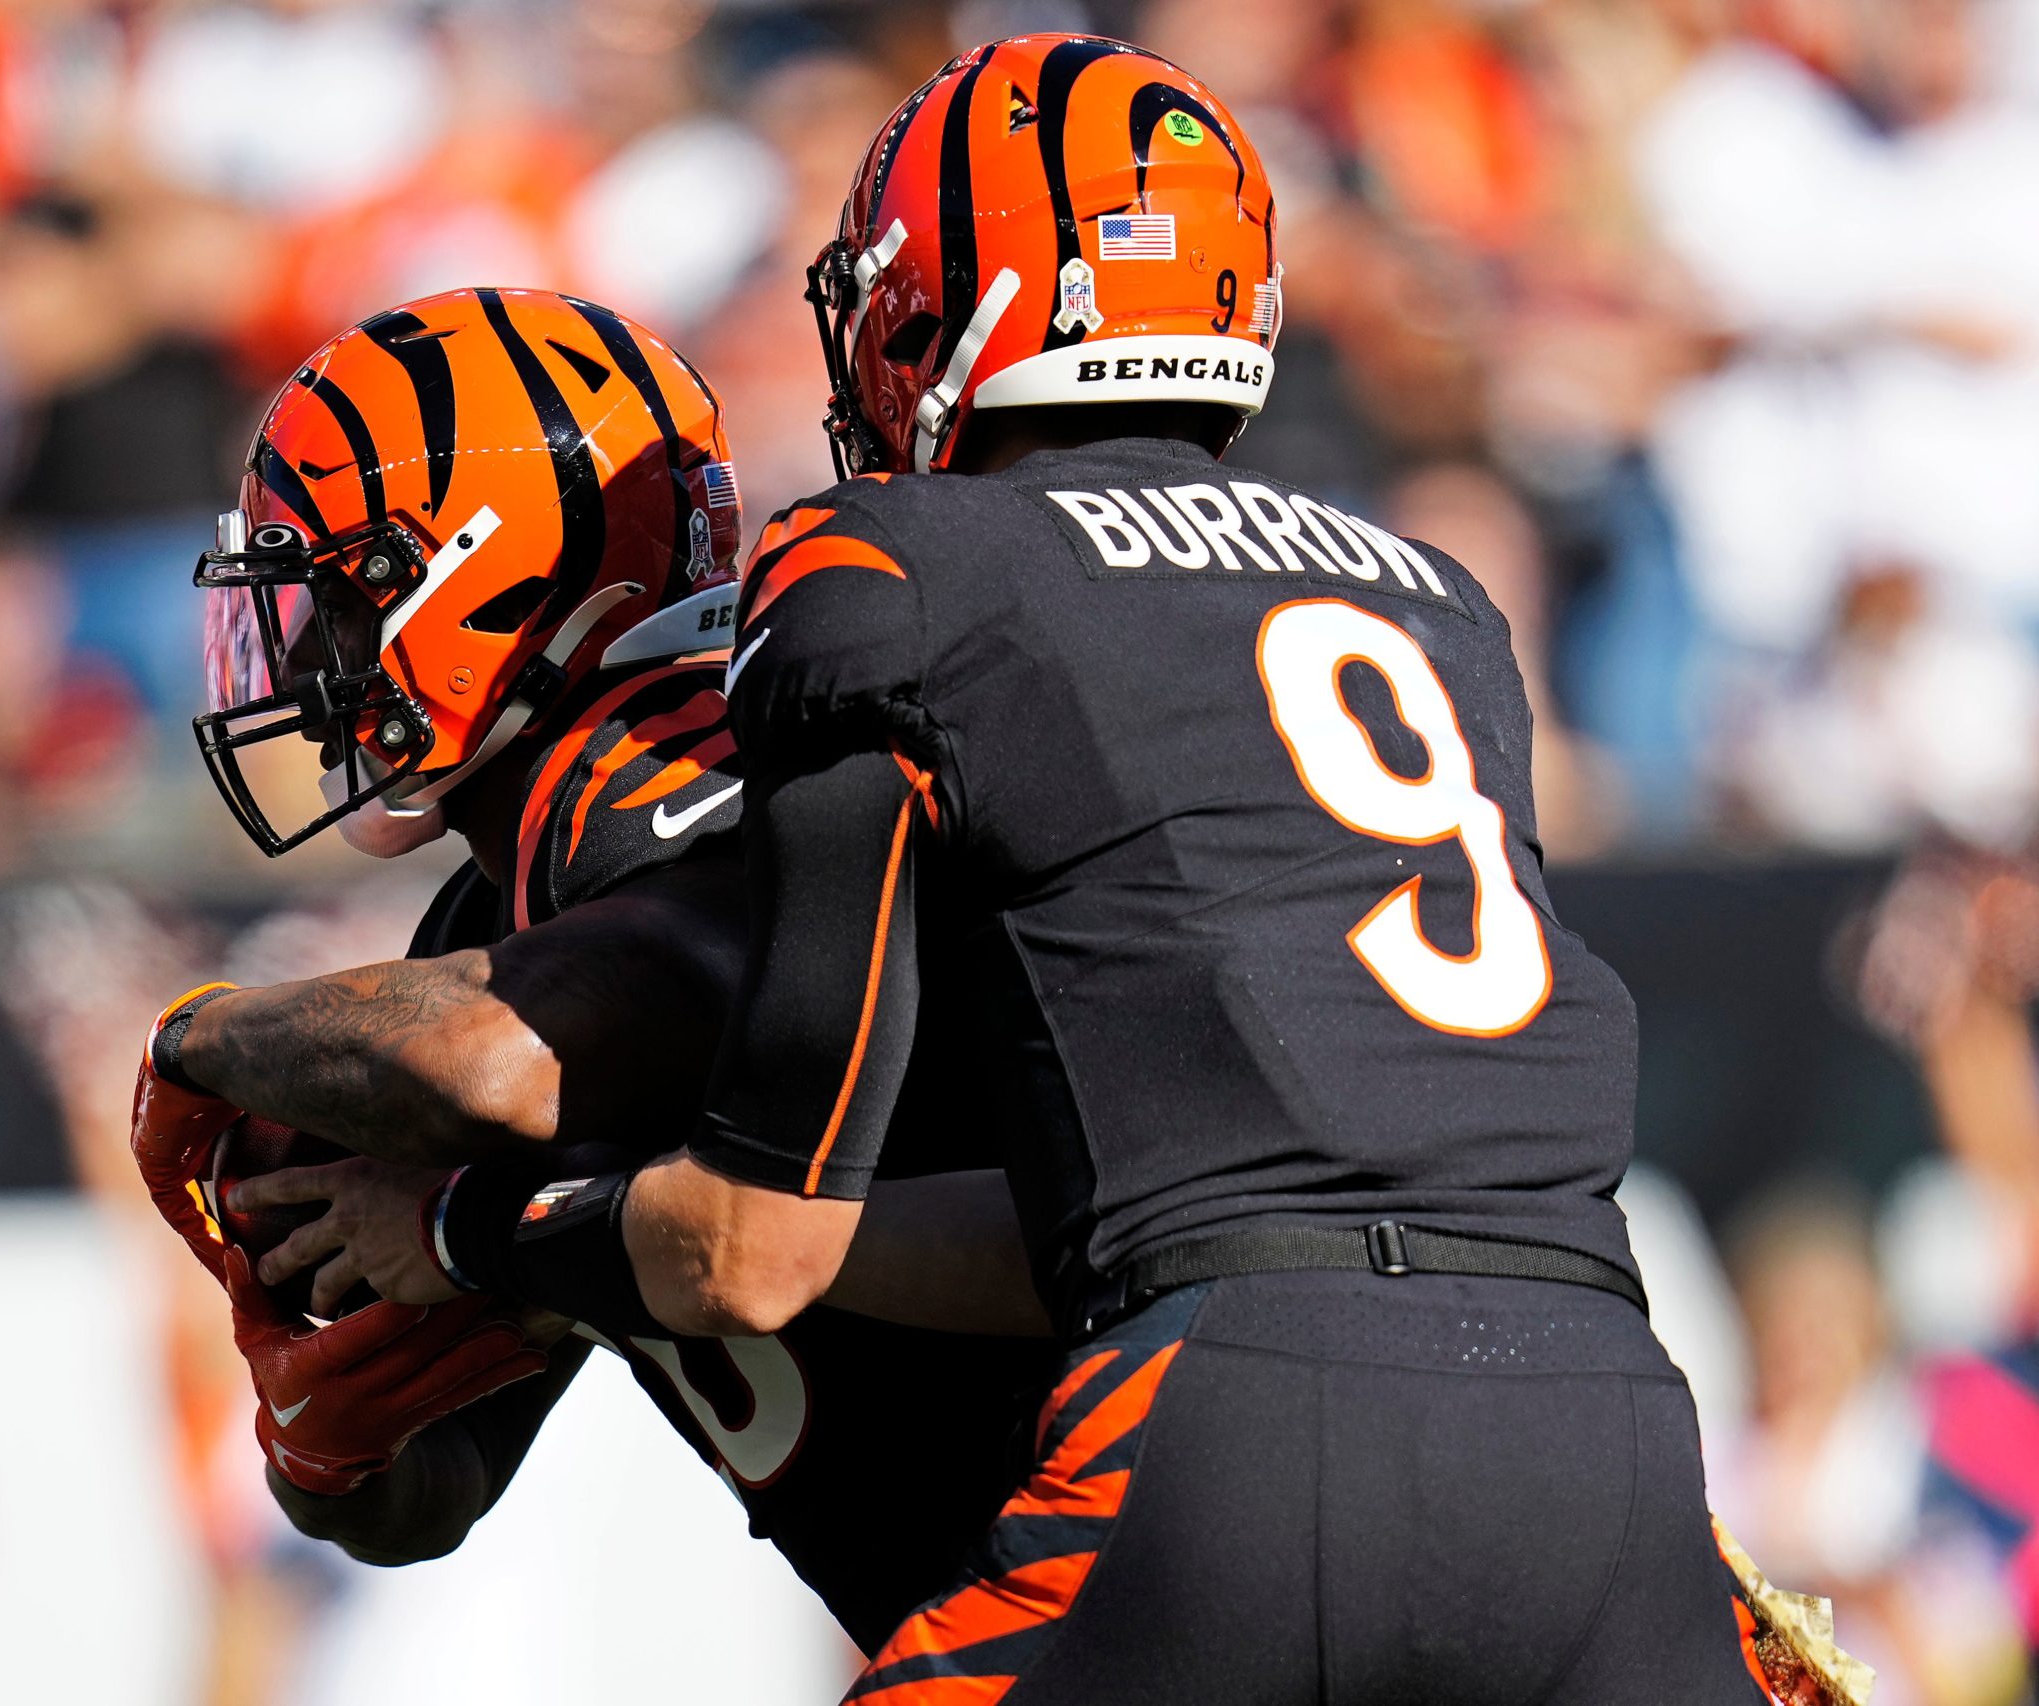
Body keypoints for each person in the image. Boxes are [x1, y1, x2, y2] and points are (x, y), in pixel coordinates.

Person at [318, 37, 1788, 1701]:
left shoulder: (888, 567)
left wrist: (427, 1199)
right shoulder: (1436, 594)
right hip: (1608, 1413)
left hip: (1239, 1407)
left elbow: (757, 1237)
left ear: (943, 310)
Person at [134, 286, 1054, 1652]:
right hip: (991, 1592)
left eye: (335, 594)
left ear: (470, 571)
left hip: (1136, 1518)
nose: (309, 657)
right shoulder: (490, 904)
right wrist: (329, 1421)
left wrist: (193, 1041)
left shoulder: (711, 760)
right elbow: (434, 1495)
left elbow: (510, 1061)